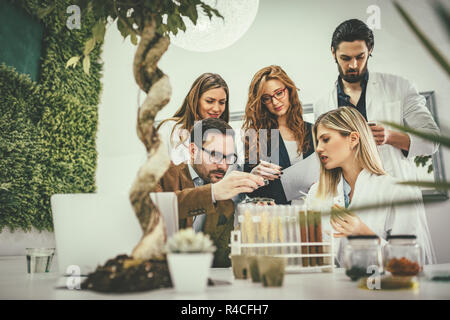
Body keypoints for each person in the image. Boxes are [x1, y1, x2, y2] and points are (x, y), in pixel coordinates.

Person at [313, 18, 440, 184]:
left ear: (370, 50)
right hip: (346, 194)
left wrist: (389, 136)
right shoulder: (322, 104)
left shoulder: (400, 87)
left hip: (393, 189)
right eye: (345, 58)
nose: (353, 65)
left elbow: (432, 141)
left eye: (360, 57)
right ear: (333, 52)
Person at [307, 107, 435, 266]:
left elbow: (413, 262)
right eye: (318, 142)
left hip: (381, 289)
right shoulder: (315, 193)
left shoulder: (398, 192)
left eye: (325, 139)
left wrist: (364, 234)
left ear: (353, 139)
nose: (318, 148)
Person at [155, 118, 264, 267]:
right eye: (215, 155)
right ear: (193, 151)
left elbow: (222, 262)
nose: (223, 165)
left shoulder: (225, 204)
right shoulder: (163, 176)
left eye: (229, 157)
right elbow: (157, 211)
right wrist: (212, 193)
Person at [240, 65, 318, 204]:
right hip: (279, 215)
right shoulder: (257, 136)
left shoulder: (312, 130)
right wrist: (254, 177)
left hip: (313, 212)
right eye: (267, 98)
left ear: (289, 90)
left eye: (279, 93)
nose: (275, 102)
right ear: (261, 103)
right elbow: (252, 194)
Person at [157, 73, 230, 165]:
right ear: (195, 100)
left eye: (222, 102)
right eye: (209, 101)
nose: (216, 109)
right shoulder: (169, 129)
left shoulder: (225, 136)